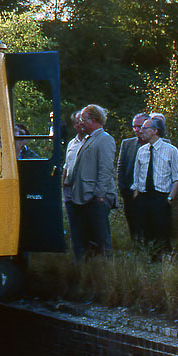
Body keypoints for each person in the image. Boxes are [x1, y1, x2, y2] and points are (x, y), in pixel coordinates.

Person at [130, 116, 178, 257]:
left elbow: (177, 177)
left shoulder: (171, 150)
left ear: (155, 131)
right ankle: (150, 263)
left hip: (161, 198)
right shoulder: (142, 151)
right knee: (146, 233)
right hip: (143, 197)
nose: (141, 131)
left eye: (144, 128)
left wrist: (170, 198)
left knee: (162, 233)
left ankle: (165, 264)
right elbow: (136, 176)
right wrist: (136, 193)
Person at [68, 105, 116, 258]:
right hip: (83, 197)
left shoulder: (104, 139)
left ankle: (106, 271)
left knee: (101, 238)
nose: (80, 123)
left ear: (94, 120)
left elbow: (105, 169)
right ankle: (88, 269)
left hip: (95, 198)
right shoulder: (90, 139)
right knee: (86, 238)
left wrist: (100, 195)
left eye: (84, 119)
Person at [117, 113, 149, 243]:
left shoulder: (161, 145)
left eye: (140, 126)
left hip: (151, 194)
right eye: (134, 127)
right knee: (133, 226)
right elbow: (121, 167)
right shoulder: (127, 144)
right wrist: (123, 189)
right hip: (130, 194)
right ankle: (137, 250)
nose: (137, 130)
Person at [63, 110, 88, 259]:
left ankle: (92, 259)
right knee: (74, 227)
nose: (80, 124)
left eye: (82, 121)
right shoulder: (72, 143)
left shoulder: (90, 141)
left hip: (84, 190)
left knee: (86, 225)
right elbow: (67, 165)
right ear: (74, 125)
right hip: (69, 190)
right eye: (77, 122)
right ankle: (78, 259)